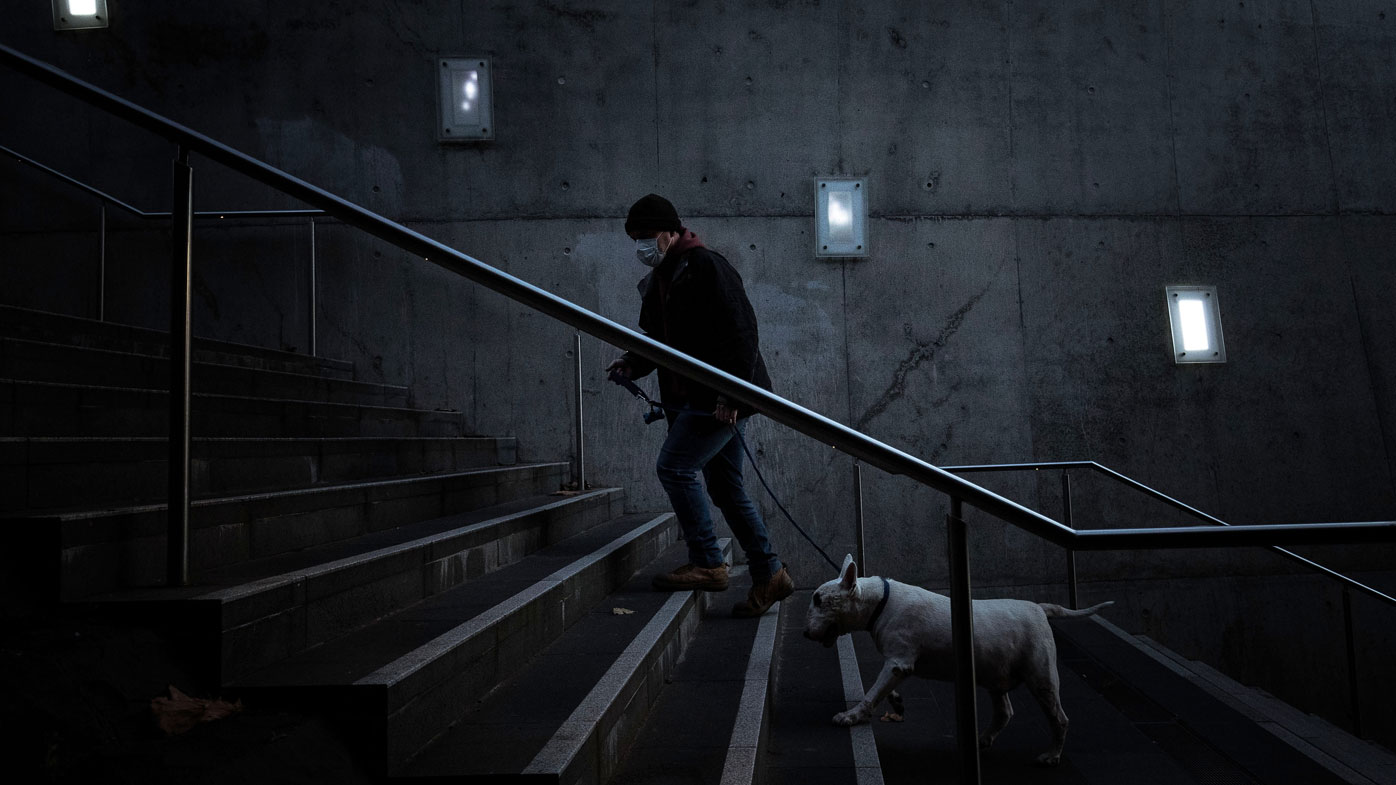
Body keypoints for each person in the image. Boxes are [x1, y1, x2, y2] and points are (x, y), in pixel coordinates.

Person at [606, 193, 793, 618]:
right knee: (725, 488)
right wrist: (632, 364)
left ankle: (708, 561)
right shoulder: (660, 280)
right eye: (635, 238)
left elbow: (741, 332)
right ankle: (770, 573)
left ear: (672, 233)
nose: (641, 246)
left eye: (648, 236)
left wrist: (733, 395)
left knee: (674, 467)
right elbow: (655, 341)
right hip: (696, 400)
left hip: (718, 401)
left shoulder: (708, 266)